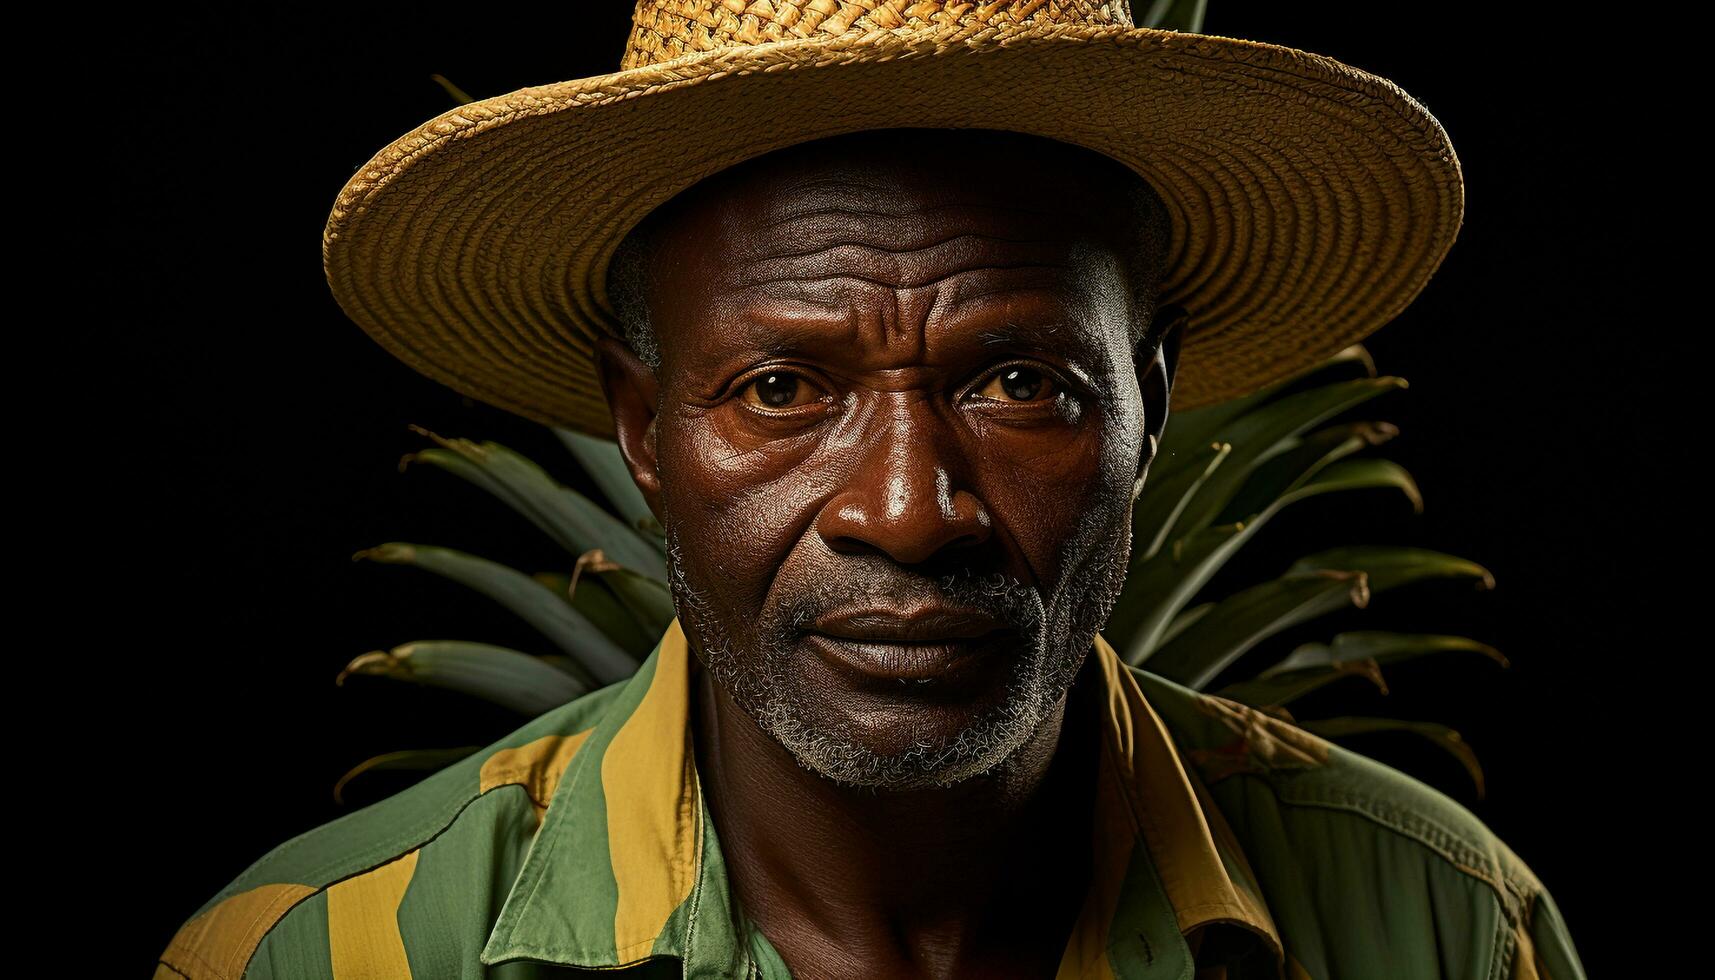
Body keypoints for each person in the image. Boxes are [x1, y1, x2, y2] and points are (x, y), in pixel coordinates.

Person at [156, 5, 1586, 979]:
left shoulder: (1451, 930)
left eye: (1020, 382)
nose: (907, 511)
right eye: (782, 391)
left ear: (1149, 399)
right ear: (644, 428)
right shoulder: (320, 950)